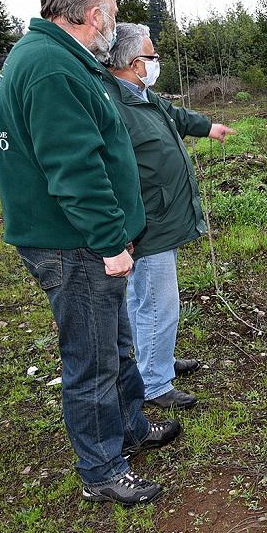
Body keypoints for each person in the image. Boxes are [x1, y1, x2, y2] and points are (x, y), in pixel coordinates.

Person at [0, 0, 180, 506]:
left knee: (115, 343)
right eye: (113, 14)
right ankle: (102, 469)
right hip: (73, 244)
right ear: (94, 15)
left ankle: (130, 427)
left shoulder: (57, 57)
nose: (115, 25)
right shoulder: (51, 67)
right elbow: (74, 169)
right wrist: (109, 242)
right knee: (92, 358)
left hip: (82, 239)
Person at [102, 23, 235, 410]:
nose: (156, 62)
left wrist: (208, 128)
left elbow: (174, 115)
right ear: (133, 63)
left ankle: (153, 359)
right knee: (159, 303)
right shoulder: (112, 104)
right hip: (148, 223)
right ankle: (155, 383)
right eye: (152, 56)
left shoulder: (140, 94)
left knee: (144, 298)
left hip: (160, 217)